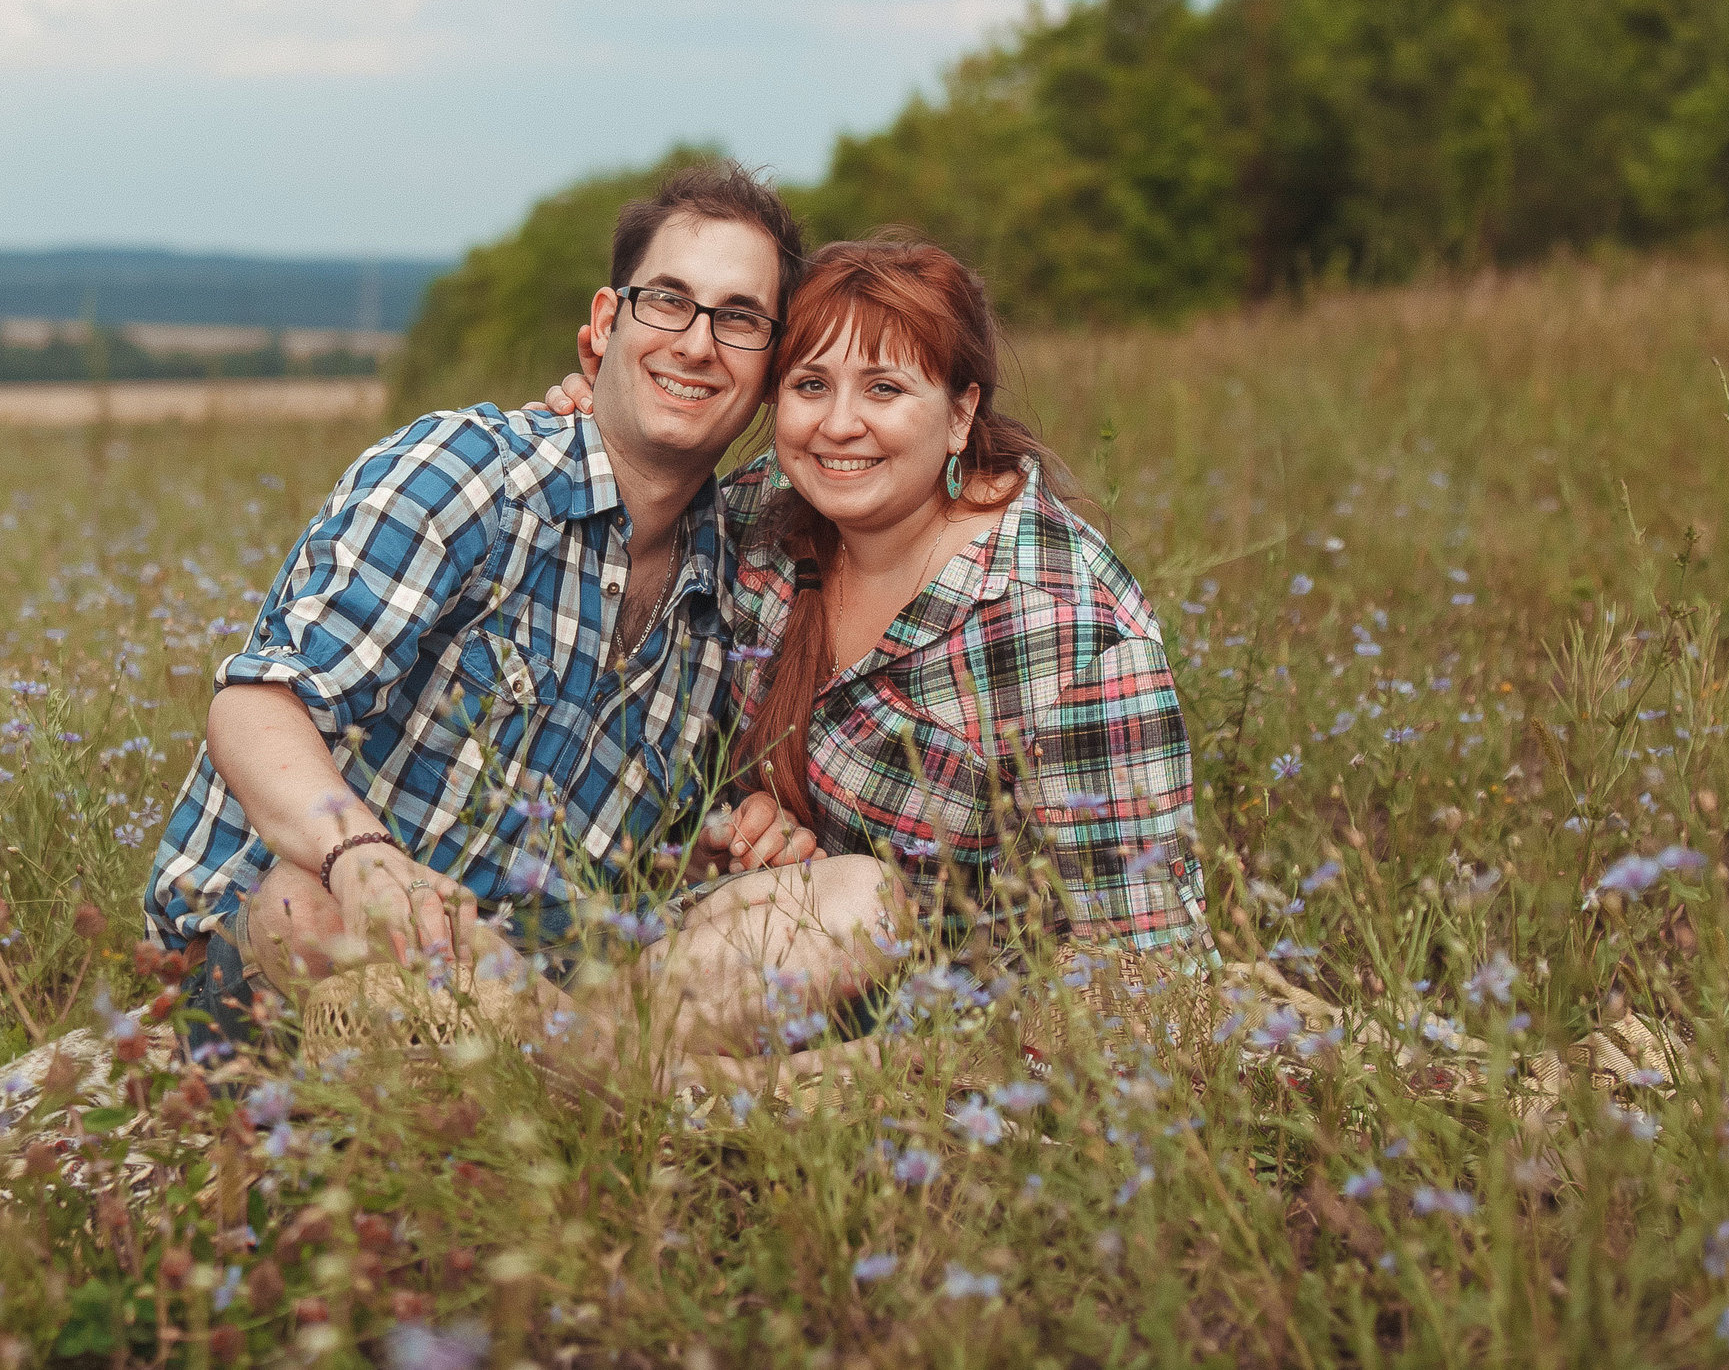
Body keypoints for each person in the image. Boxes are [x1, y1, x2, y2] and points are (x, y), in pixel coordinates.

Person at [141, 161, 893, 1058]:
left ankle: (570, 1070)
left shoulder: (727, 579)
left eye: (738, 319)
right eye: (667, 301)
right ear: (606, 326)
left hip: (542, 979)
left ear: (768, 370)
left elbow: (640, 859)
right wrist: (362, 854)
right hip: (312, 939)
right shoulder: (470, 474)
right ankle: (640, 1090)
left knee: (860, 899)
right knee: (308, 904)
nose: (697, 344)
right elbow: (257, 702)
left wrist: (734, 836)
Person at [538, 235, 1218, 1042]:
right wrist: (595, 409)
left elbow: (1149, 971)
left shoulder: (1066, 626)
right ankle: (581, 1050)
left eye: (885, 388)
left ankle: (583, 1061)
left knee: (868, 901)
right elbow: (634, 488)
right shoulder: (760, 520)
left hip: (952, 1042)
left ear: (962, 412)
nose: (839, 425)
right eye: (811, 384)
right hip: (731, 954)